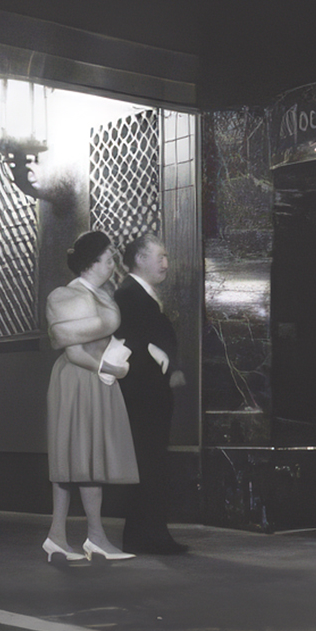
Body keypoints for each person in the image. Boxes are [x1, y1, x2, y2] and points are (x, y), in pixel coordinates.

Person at [43, 230, 139, 563]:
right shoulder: (67, 295)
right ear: (92, 263)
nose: (114, 265)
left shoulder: (98, 294)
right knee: (78, 456)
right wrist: (111, 369)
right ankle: (91, 537)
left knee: (83, 456)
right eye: (109, 259)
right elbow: (73, 351)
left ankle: (64, 536)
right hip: (79, 378)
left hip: (93, 377)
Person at [116, 233, 188, 554]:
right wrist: (166, 366)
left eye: (166, 257)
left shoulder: (140, 294)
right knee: (150, 463)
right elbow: (133, 344)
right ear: (140, 259)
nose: (165, 263)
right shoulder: (131, 295)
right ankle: (152, 535)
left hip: (147, 394)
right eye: (159, 256)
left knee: (148, 463)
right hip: (143, 395)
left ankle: (141, 534)